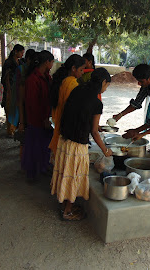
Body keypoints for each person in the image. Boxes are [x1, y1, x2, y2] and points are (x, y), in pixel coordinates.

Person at [51, 68, 113, 221]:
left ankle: (64, 203)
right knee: (74, 176)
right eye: (107, 86)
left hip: (65, 140)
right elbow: (94, 131)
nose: (105, 89)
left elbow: (77, 114)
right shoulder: (96, 103)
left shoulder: (78, 89)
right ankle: (68, 211)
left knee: (65, 172)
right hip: (78, 145)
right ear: (104, 82)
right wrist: (105, 150)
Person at [22, 50, 53, 183]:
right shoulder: (33, 79)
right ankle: (31, 174)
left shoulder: (46, 77)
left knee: (45, 146)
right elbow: (32, 103)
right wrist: (43, 119)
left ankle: (43, 168)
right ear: (47, 62)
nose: (52, 64)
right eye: (52, 62)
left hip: (46, 118)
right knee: (33, 148)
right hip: (36, 120)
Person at [48, 54, 85, 161]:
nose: (82, 73)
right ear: (73, 68)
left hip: (59, 120)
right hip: (66, 123)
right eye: (81, 70)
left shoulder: (63, 80)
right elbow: (72, 108)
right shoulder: (71, 83)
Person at [15, 49, 36, 159]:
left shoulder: (25, 71)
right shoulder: (25, 73)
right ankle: (23, 158)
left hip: (26, 108)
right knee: (25, 136)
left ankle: (24, 158)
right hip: (26, 108)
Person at [1, 44, 25, 136]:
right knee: (9, 108)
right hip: (10, 89)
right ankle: (10, 130)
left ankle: (14, 128)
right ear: (16, 51)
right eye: (21, 53)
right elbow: (6, 78)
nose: (22, 55)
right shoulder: (9, 63)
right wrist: (8, 90)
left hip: (17, 88)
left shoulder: (19, 62)